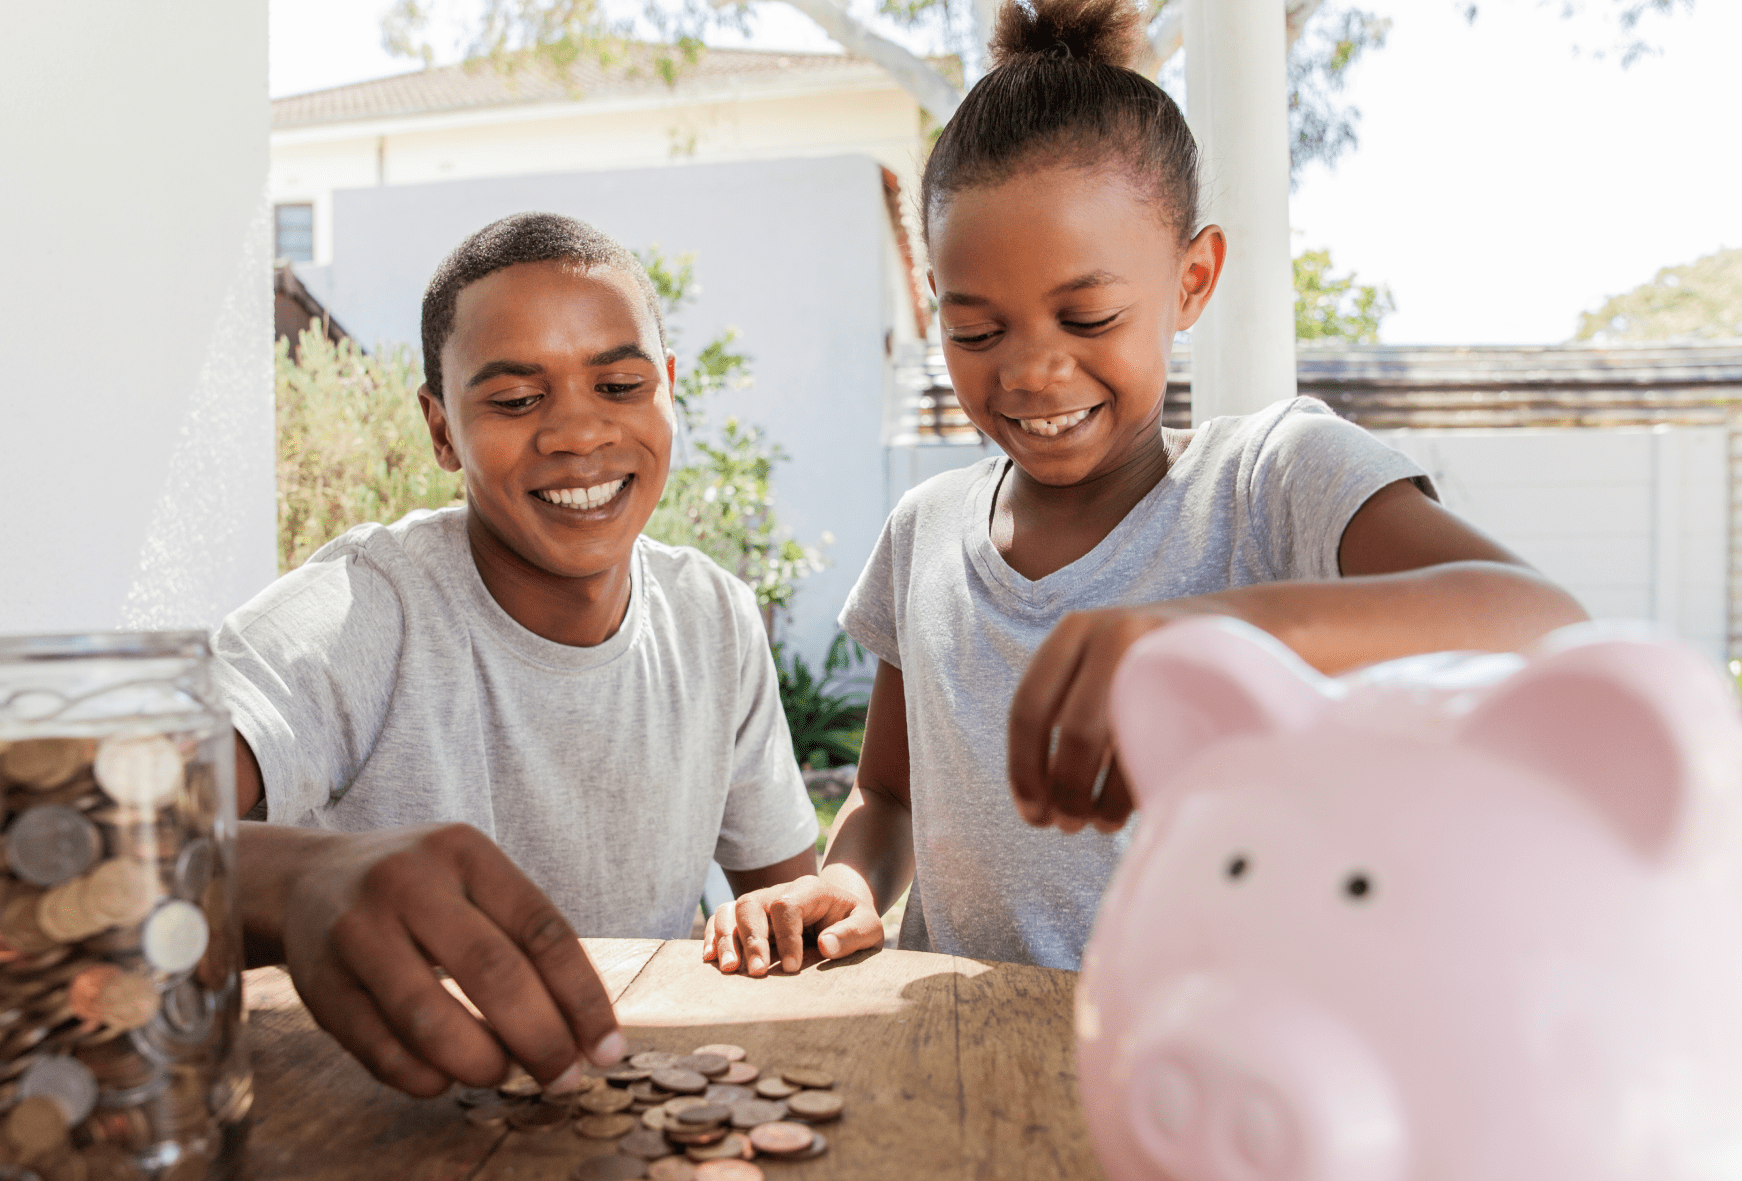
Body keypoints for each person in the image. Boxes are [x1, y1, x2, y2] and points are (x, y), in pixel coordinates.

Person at [702, 0, 1587, 976]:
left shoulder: (1268, 485)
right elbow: (891, 795)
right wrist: (852, 880)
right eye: (977, 331)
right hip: (957, 1073)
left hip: (1199, 1078)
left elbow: (1546, 626)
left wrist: (1213, 627)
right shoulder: (927, 531)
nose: (1032, 372)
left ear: (1193, 279)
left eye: (1087, 318)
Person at [220, 213, 821, 1096]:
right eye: (513, 400)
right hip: (382, 1139)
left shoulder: (715, 619)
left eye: (620, 385)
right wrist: (300, 879)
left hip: (621, 1113)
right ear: (440, 429)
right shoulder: (359, 613)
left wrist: (782, 916)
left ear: (670, 392)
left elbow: (787, 902)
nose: (579, 433)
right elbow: (91, 839)